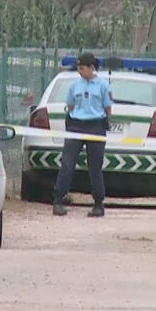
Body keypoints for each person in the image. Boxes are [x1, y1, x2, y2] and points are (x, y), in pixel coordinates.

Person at [52, 52, 113, 218]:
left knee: (95, 167)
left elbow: (108, 108)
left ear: (92, 68)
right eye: (78, 68)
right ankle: (58, 199)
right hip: (76, 125)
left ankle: (98, 203)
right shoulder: (74, 86)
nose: (80, 71)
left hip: (95, 126)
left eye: (82, 68)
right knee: (67, 164)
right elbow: (70, 106)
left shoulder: (103, 86)